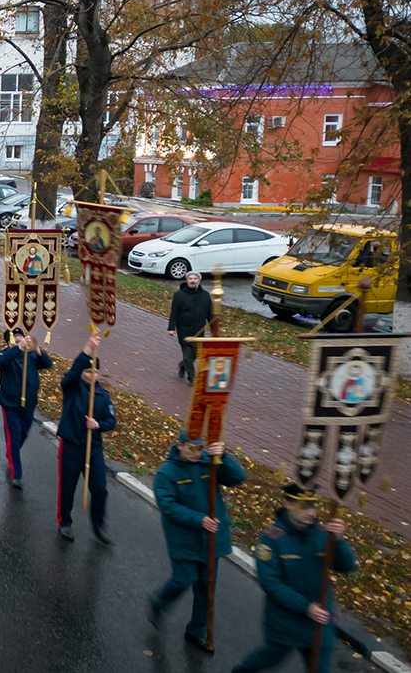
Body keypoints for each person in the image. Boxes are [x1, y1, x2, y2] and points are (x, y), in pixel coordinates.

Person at [232, 483, 356, 673]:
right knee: (265, 659)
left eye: (313, 505)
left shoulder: (323, 535)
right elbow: (270, 583)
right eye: (304, 506)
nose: (310, 512)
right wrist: (305, 607)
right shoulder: (271, 539)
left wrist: (338, 541)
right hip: (286, 624)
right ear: (288, 504)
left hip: (318, 627)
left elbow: (346, 566)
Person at [148, 429, 247, 650]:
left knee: (206, 587)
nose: (197, 453)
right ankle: (159, 603)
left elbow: (237, 478)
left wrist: (223, 456)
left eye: (201, 448)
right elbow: (168, 505)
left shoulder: (208, 463)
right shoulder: (167, 473)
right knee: (183, 579)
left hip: (211, 539)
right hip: (183, 539)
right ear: (180, 445)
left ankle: (197, 630)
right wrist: (198, 519)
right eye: (192, 448)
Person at [58, 336, 118, 542]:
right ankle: (65, 522)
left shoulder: (103, 395)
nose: (90, 375)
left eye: (94, 372)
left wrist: (98, 425)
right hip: (72, 446)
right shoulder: (72, 388)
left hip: (93, 449)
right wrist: (86, 350)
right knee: (68, 486)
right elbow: (71, 374)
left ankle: (98, 524)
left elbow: (111, 420)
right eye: (87, 371)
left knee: (100, 488)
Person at [0, 328, 52, 486]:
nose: (20, 340)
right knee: (13, 437)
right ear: (9, 342)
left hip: (29, 403)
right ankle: (16, 474)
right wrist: (18, 349)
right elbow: (2, 362)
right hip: (10, 403)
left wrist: (37, 350)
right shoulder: (3, 354)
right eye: (15, 338)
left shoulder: (31, 356)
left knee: (23, 433)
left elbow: (47, 364)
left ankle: (11, 454)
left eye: (21, 337)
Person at [168, 271, 213, 382]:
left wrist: (214, 328)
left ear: (199, 280)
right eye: (190, 279)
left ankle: (183, 365)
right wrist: (171, 328)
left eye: (195, 278)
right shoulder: (179, 295)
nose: (192, 280)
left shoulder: (205, 295)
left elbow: (210, 313)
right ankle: (192, 378)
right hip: (184, 328)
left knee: (196, 354)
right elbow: (174, 312)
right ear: (187, 280)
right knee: (187, 354)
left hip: (199, 329)